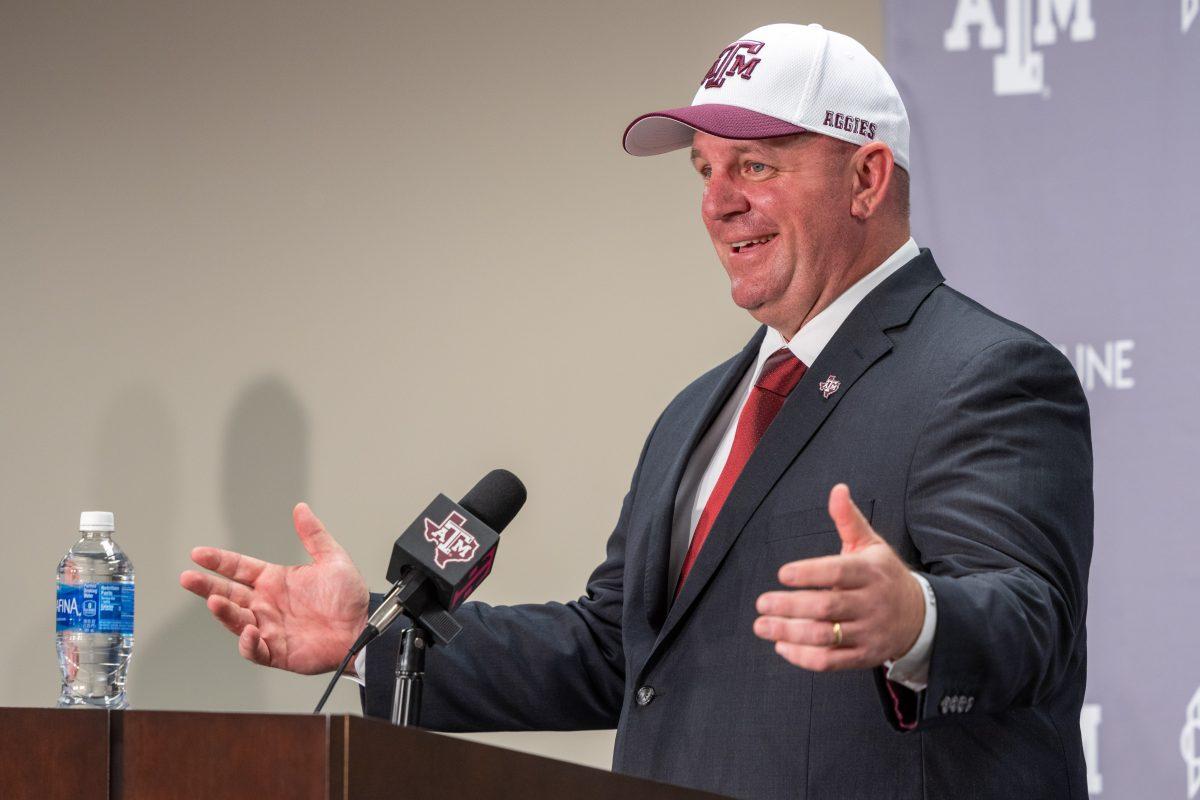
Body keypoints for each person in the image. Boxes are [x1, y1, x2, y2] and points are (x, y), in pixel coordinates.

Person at [181, 23, 1092, 800]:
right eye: (704, 169)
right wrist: (371, 638)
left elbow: (1030, 620)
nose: (717, 200)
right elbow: (612, 652)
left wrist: (919, 619)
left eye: (756, 164)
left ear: (866, 178)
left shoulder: (987, 372)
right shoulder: (700, 410)